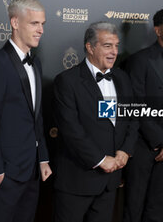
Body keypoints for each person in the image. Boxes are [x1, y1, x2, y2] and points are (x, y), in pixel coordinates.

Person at [0, 0, 52, 222]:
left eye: (43, 24)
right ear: (15, 23)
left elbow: (36, 117)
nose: (41, 30)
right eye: (34, 23)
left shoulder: (35, 62)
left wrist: (43, 158)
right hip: (6, 173)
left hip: (32, 171)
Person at [53, 21, 138, 222]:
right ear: (90, 47)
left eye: (117, 46)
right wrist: (100, 160)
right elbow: (71, 129)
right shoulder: (67, 81)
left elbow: (132, 118)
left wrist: (126, 150)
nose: (114, 52)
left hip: (110, 183)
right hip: (76, 181)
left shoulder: (123, 79)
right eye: (107, 45)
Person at [122, 9, 163, 222]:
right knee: (133, 206)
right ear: (158, 30)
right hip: (142, 145)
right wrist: (161, 140)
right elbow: (136, 105)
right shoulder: (138, 61)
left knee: (158, 205)